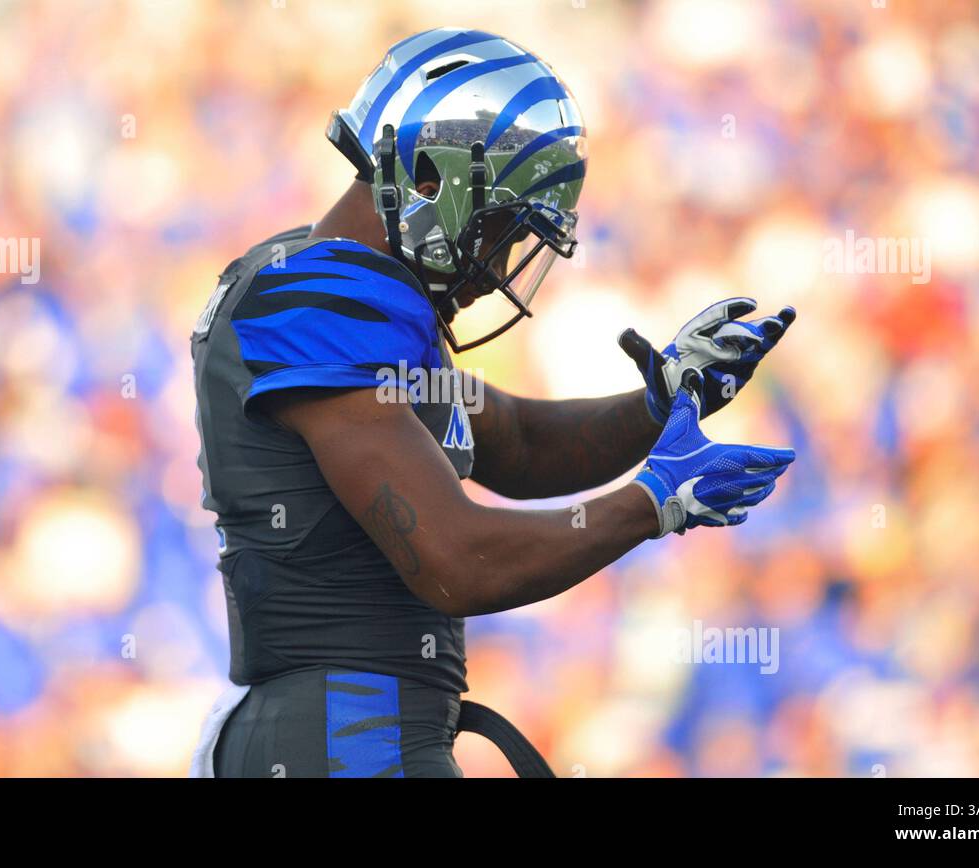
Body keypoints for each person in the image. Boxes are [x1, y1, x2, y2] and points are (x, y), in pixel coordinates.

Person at [189, 27, 797, 778]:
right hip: (345, 733)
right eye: (505, 227)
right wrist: (652, 504)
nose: (503, 265)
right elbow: (456, 558)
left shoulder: (360, 290)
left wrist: (663, 399)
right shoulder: (325, 298)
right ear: (433, 182)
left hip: (353, 727)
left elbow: (517, 441)